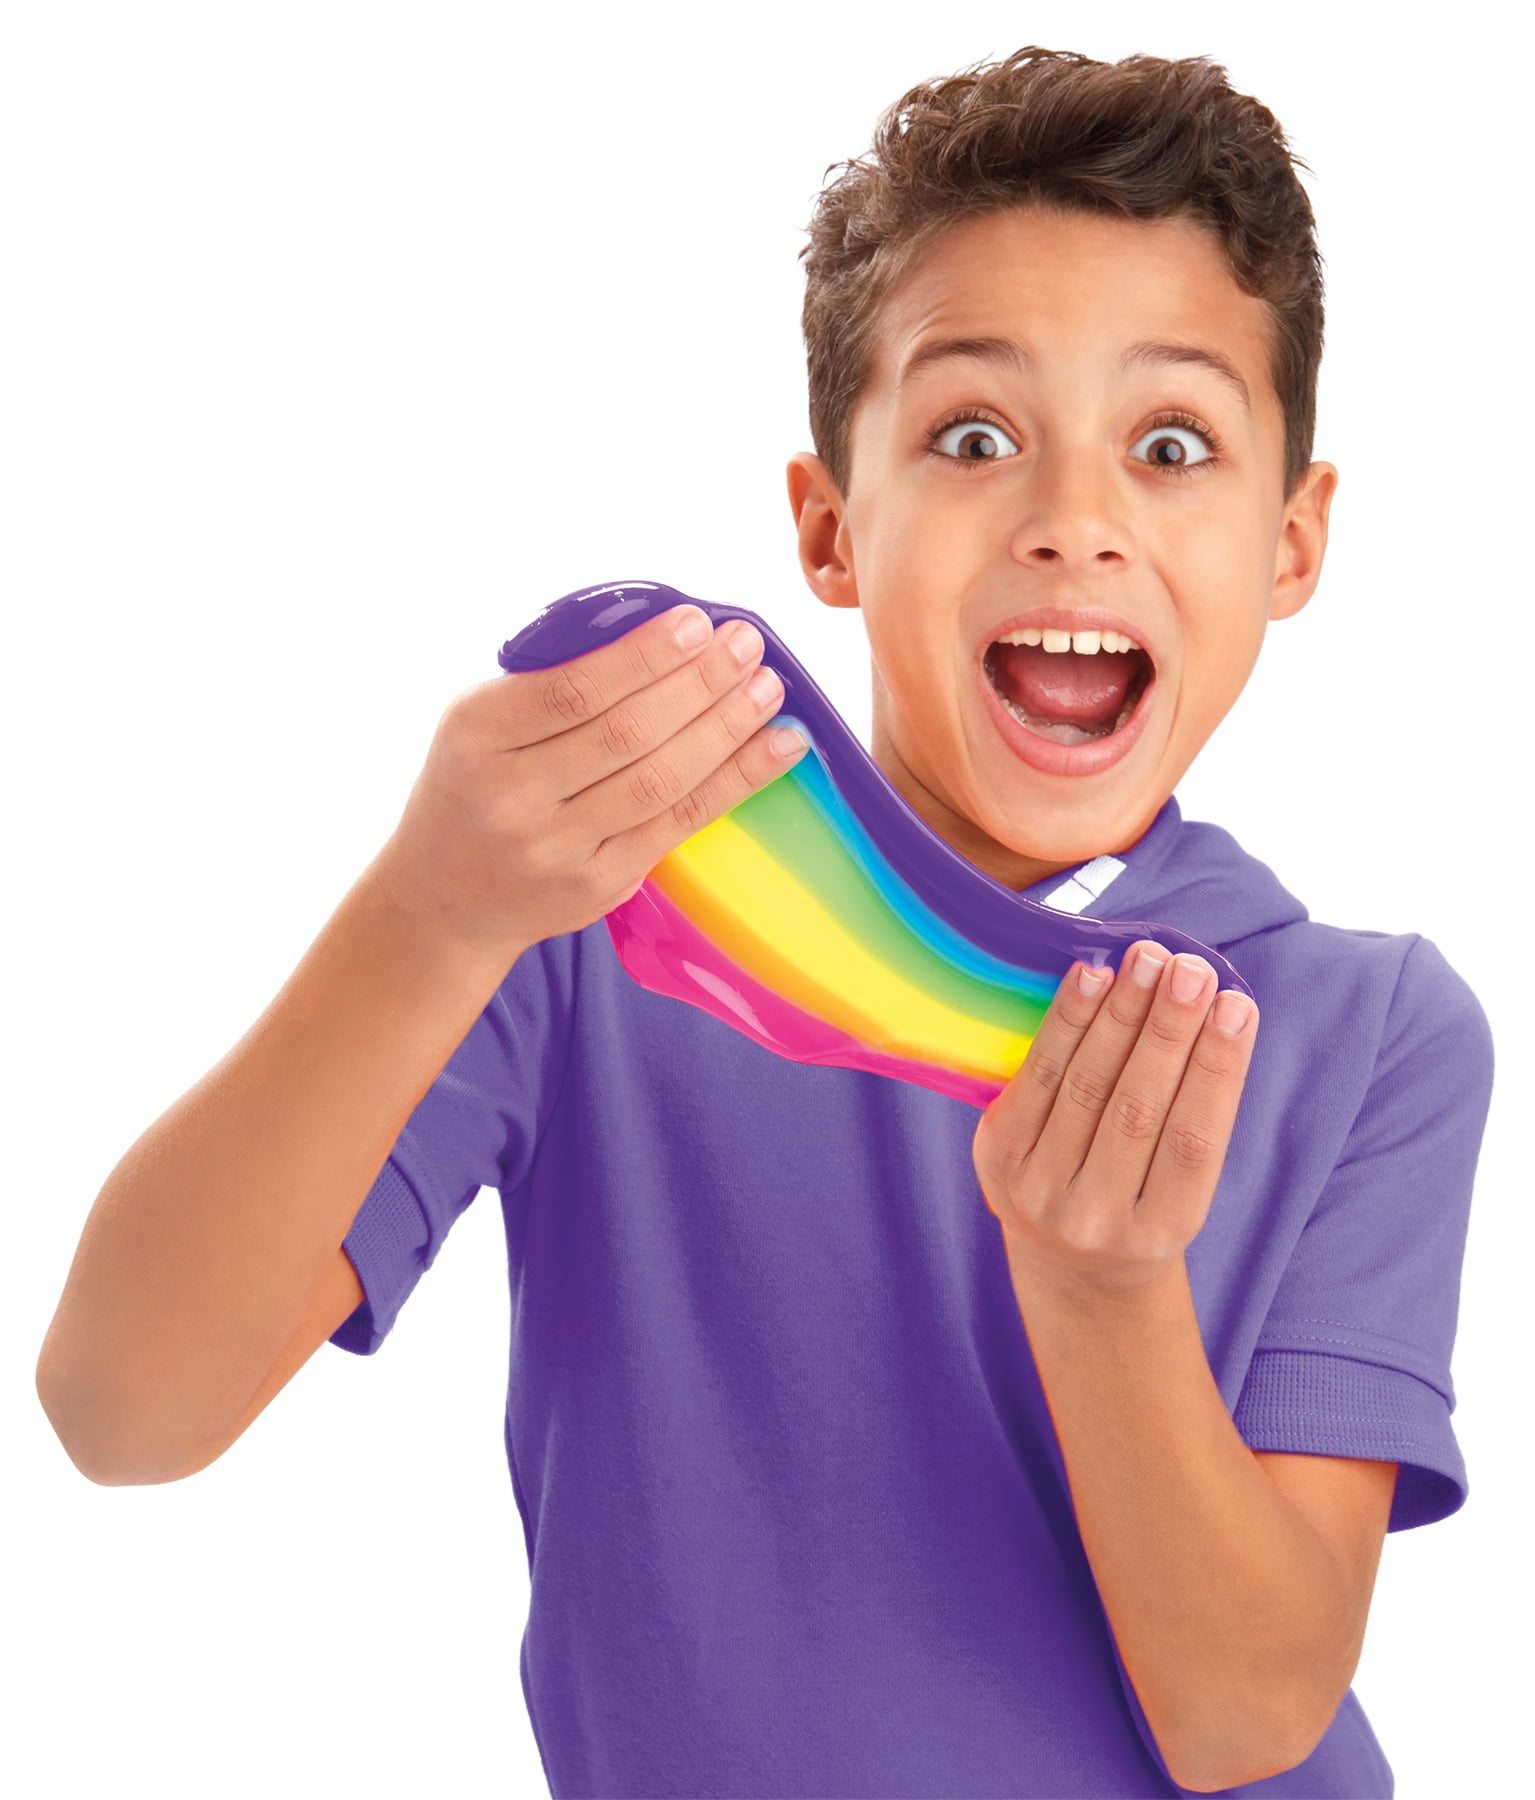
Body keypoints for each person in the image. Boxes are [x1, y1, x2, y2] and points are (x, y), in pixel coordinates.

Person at [36, 45, 1493, 1800]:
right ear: (829, 526)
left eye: (1172, 446)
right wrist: (425, 916)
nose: (1074, 526)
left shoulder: (1375, 1033)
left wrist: (1104, 1290)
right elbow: (122, 1409)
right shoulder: (588, 924)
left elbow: (1245, 1717)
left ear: (1293, 543)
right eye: (973, 436)